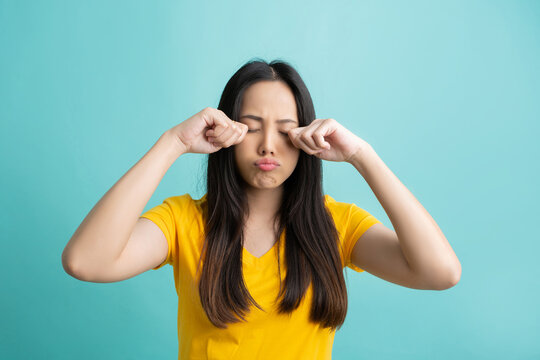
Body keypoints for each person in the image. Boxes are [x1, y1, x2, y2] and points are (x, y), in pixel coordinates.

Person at [62, 59, 461, 359]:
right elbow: (84, 261)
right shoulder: (184, 221)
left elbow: (441, 272)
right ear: (225, 131)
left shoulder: (336, 225)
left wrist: (362, 155)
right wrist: (173, 144)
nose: (268, 145)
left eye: (285, 129)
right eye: (251, 127)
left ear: (307, 137)